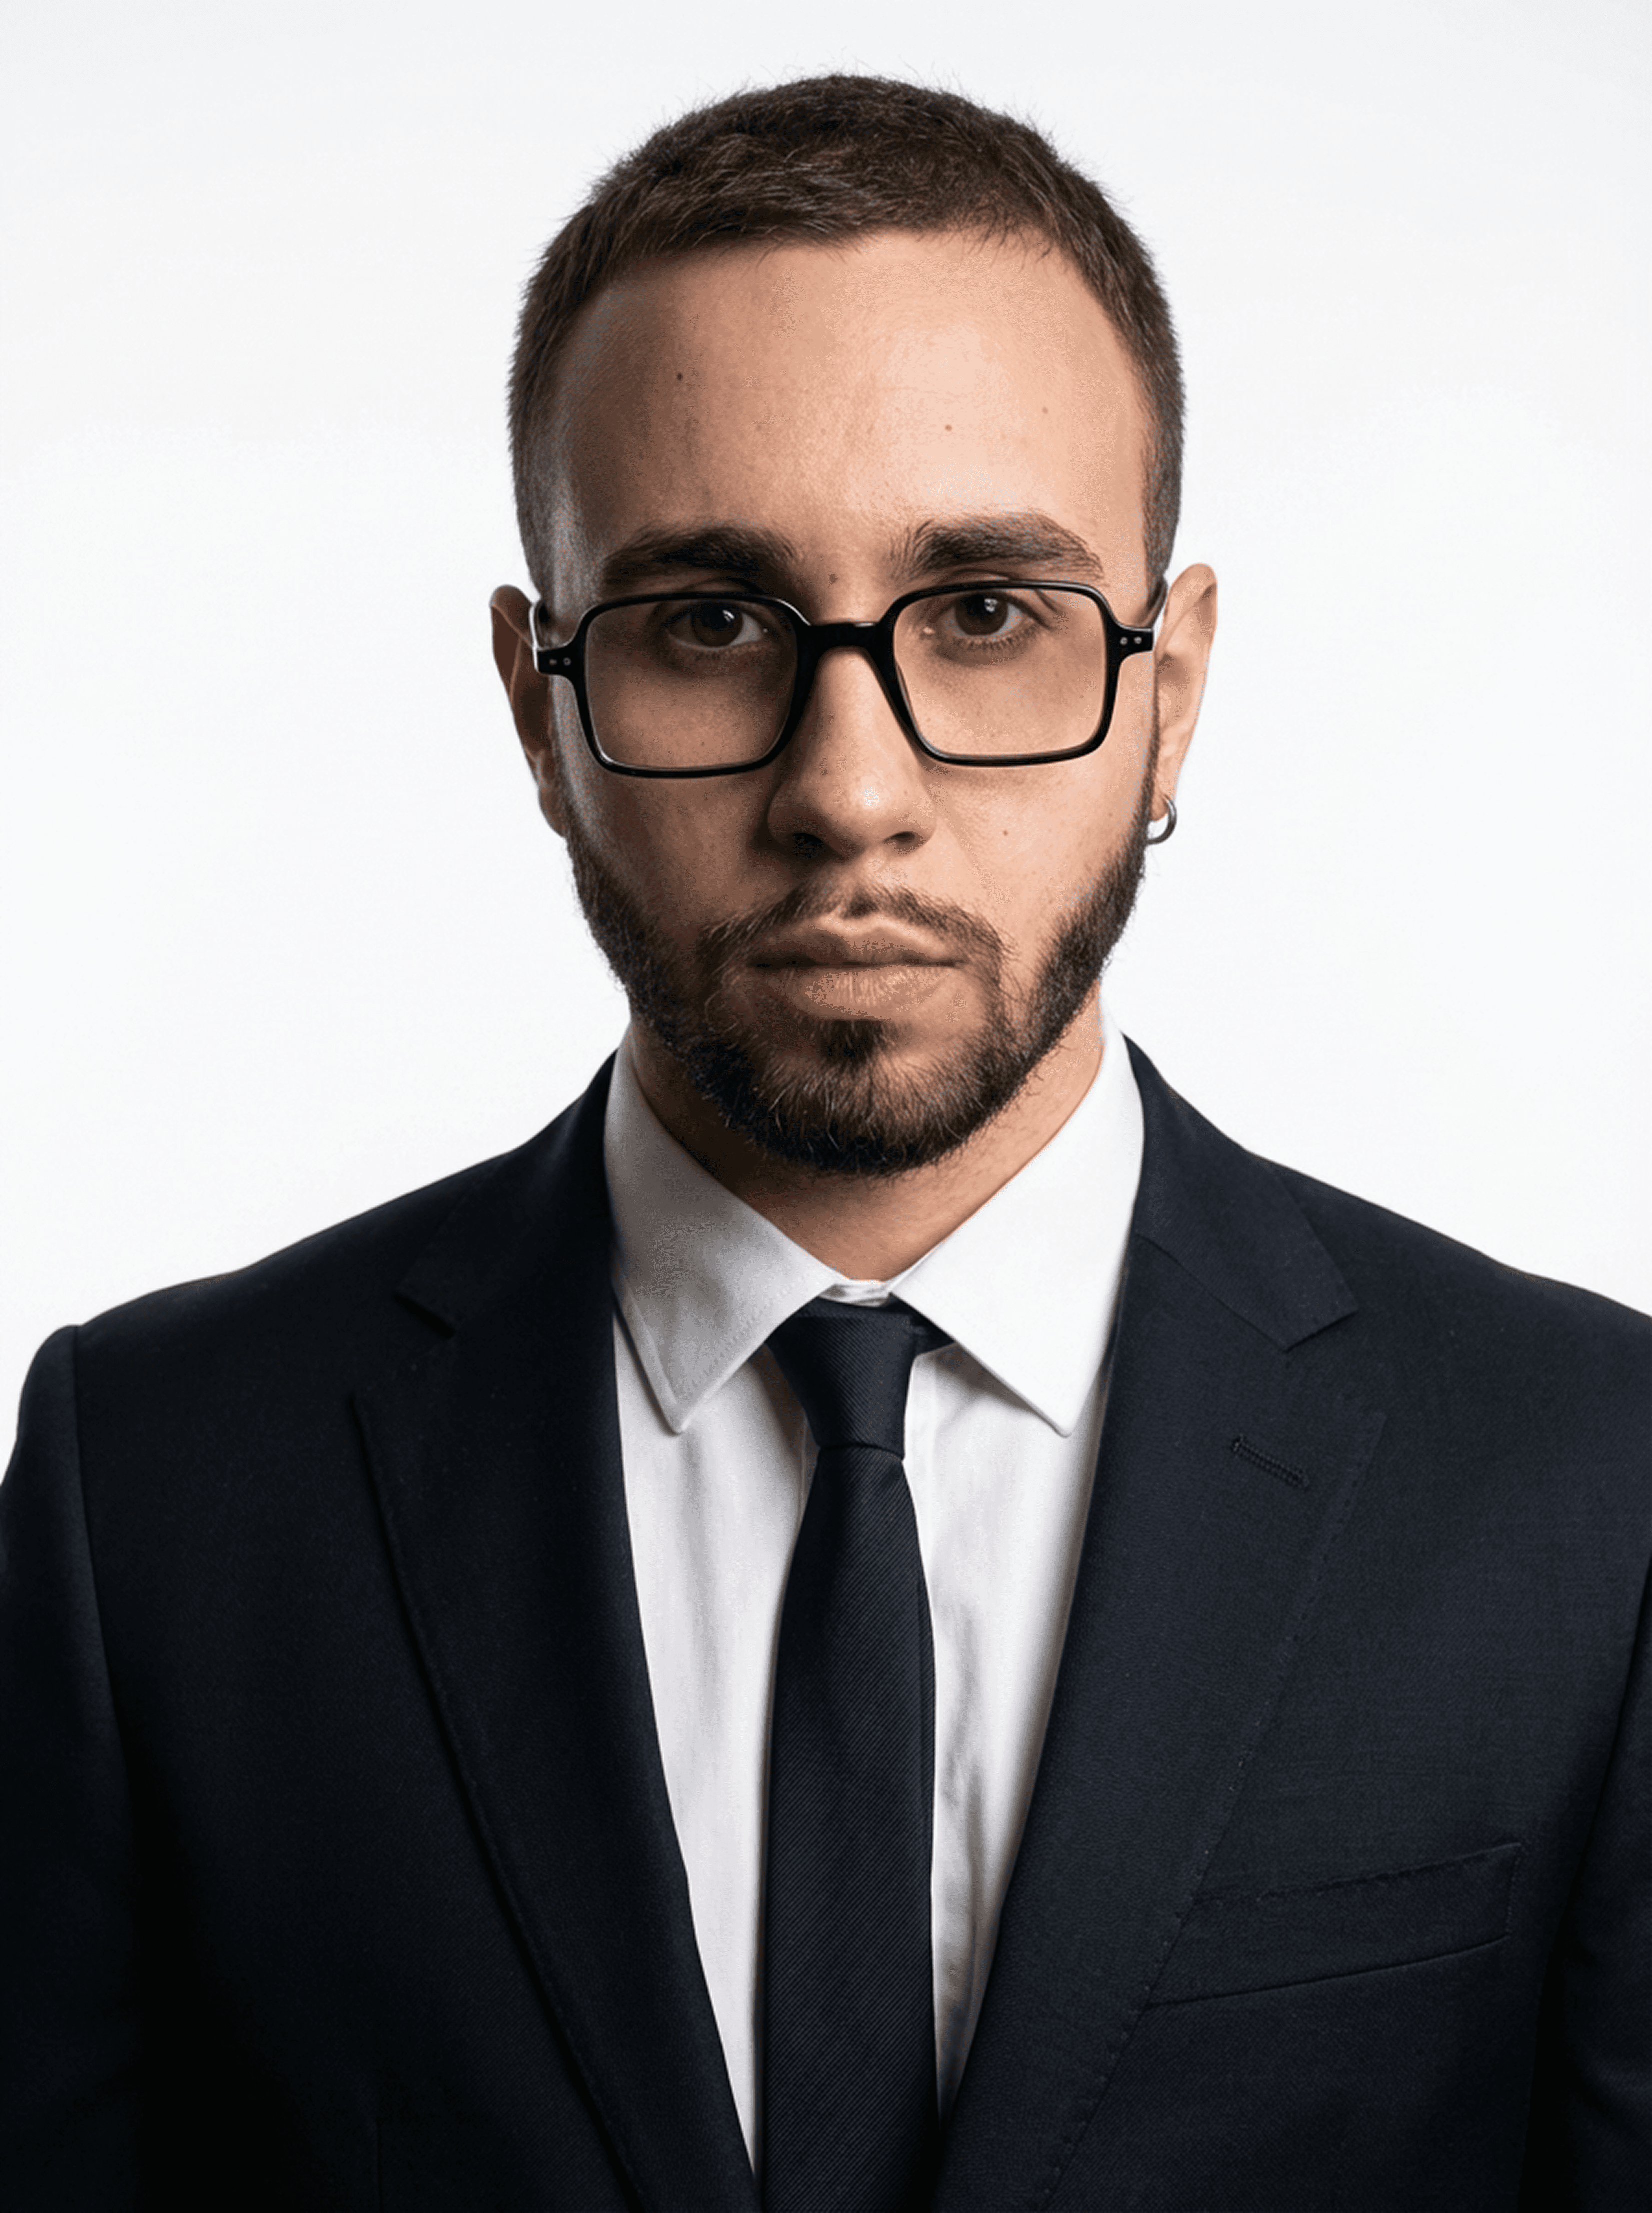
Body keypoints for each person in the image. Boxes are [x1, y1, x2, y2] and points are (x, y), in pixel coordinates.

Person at [1, 73, 1646, 2212]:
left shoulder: (1579, 1483)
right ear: (538, 704)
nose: (851, 789)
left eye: (984, 613)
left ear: (1172, 688)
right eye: (709, 625)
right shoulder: (161, 1489)